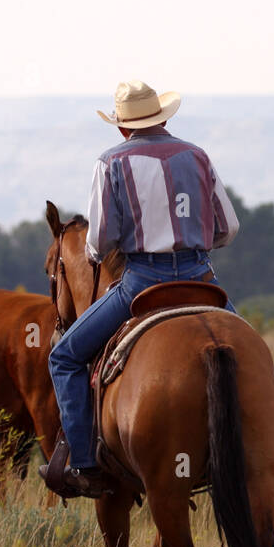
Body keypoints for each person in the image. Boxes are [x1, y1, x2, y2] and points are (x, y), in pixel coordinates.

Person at [42, 80, 240, 498]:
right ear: (164, 117)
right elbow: (228, 228)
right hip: (200, 277)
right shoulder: (197, 156)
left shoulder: (109, 162)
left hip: (141, 281)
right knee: (254, 359)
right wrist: (195, 244)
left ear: (121, 128)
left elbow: (99, 244)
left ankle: (84, 465)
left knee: (64, 357)